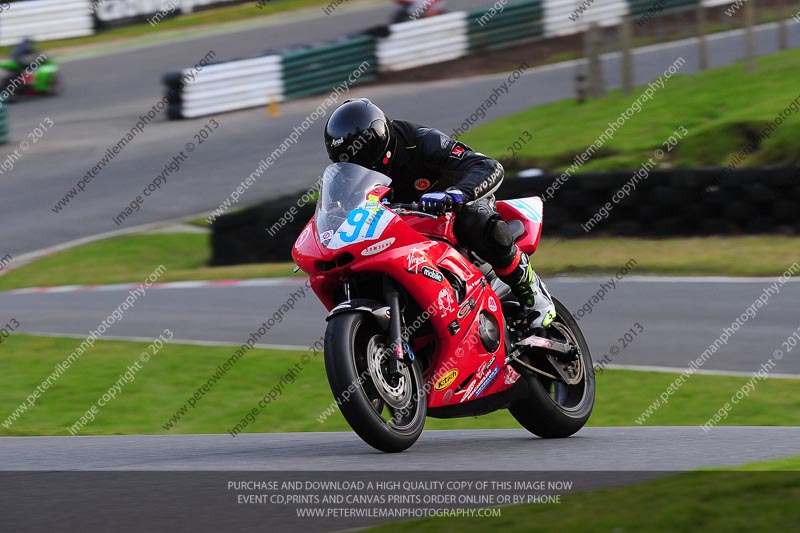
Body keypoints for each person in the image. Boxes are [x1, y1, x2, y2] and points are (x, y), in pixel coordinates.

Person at [323, 98, 556, 330]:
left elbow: (488, 166)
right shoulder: (346, 175)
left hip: (454, 208)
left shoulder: (420, 140)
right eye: (351, 163)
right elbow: (338, 209)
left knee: (475, 218)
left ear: (379, 140)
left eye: (362, 159)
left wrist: (456, 194)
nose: (360, 168)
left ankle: (531, 289)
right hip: (402, 229)